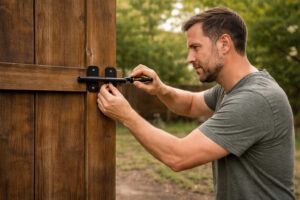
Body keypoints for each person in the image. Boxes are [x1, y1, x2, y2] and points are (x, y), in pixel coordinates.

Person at [97, 7, 295, 200]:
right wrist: (161, 89)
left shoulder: (254, 98)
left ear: (224, 44)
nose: (189, 59)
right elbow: (191, 104)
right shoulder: (230, 90)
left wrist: (126, 115)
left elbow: (178, 156)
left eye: (195, 47)